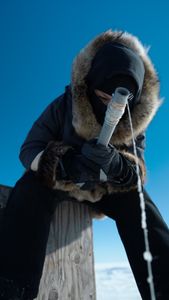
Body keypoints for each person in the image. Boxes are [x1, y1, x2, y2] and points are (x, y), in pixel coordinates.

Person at [0, 29, 169, 300]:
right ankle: (13, 288)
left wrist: (118, 166)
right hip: (62, 181)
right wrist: (64, 165)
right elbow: (29, 148)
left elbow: (137, 170)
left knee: (141, 204)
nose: (110, 105)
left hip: (104, 188)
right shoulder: (64, 105)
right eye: (103, 97)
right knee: (29, 189)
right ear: (89, 86)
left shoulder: (135, 120)